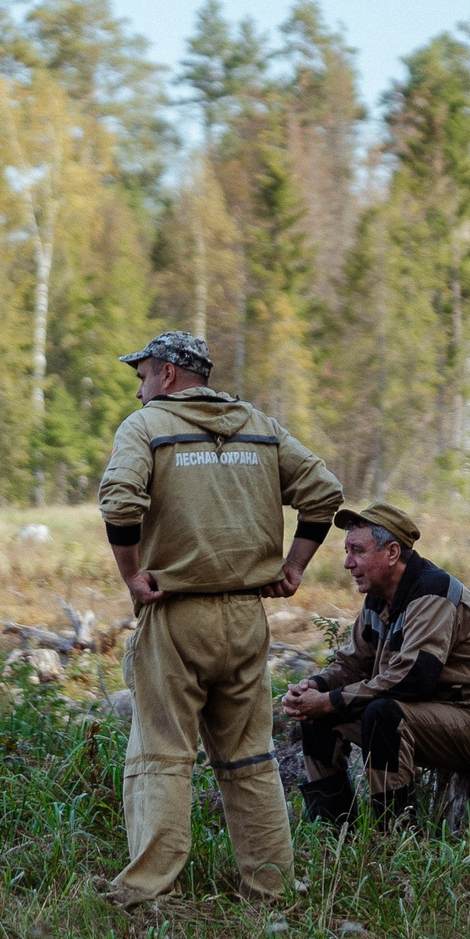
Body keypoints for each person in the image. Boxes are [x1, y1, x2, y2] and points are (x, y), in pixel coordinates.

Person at [99, 330, 344, 906]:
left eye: (141, 377)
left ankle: (146, 893)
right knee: (252, 759)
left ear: (166, 374)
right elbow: (325, 494)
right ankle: (271, 889)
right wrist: (295, 566)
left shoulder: (146, 428)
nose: (138, 392)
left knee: (161, 754)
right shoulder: (260, 426)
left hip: (176, 615)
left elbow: (119, 502)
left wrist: (134, 577)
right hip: (246, 619)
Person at [279, 502, 470, 827]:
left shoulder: (433, 593)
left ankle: (392, 840)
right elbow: (352, 664)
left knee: (384, 714)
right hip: (428, 717)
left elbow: (413, 680)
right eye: (347, 551)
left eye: (357, 551)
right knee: (318, 720)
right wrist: (314, 689)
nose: (347, 563)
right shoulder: (379, 597)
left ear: (392, 552)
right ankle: (334, 841)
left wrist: (329, 701)